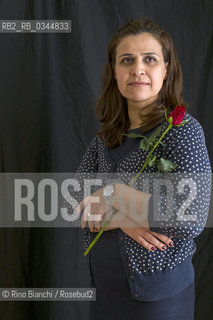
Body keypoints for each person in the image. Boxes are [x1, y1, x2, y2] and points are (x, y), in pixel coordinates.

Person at [74, 17, 211, 320]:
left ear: (166, 70)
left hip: (157, 300)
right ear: (115, 72)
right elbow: (75, 200)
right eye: (127, 60)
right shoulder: (105, 138)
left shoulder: (182, 132)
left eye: (149, 59)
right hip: (104, 295)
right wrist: (123, 219)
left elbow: (190, 216)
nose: (137, 69)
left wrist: (114, 193)